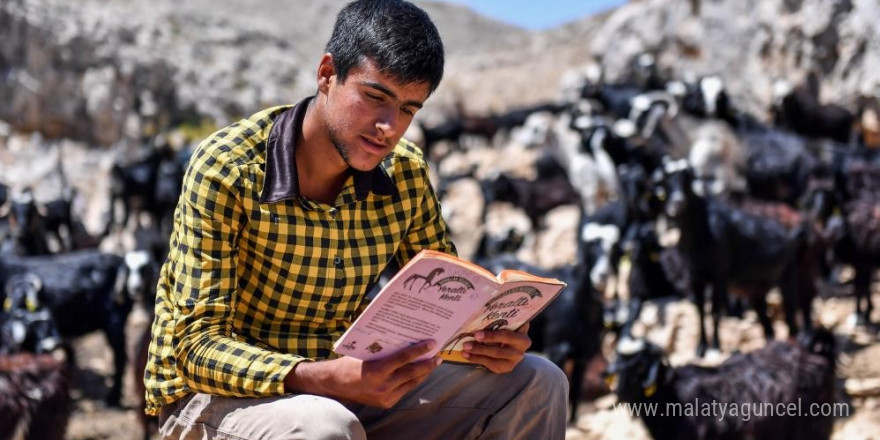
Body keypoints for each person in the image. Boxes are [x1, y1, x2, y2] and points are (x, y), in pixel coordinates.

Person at [142, 1, 568, 439]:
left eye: (408, 109)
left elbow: (449, 305)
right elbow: (195, 349)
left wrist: (489, 338)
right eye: (375, 97)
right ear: (327, 73)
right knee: (323, 427)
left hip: (350, 388)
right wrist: (324, 377)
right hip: (213, 398)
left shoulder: (405, 173)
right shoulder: (228, 168)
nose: (388, 126)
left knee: (538, 381)